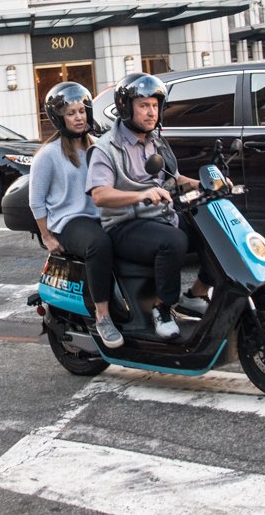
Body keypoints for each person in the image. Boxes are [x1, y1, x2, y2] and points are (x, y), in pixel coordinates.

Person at [86, 73, 211, 340]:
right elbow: (100, 195)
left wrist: (203, 184)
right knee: (173, 241)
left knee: (212, 230)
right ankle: (162, 308)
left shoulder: (155, 140)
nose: (151, 112)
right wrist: (142, 194)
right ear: (126, 107)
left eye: (155, 106)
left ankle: (196, 293)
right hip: (123, 224)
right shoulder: (106, 148)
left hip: (158, 216)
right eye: (144, 106)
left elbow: (172, 178)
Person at [28, 82, 124, 350]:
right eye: (71, 113)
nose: (79, 117)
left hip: (101, 217)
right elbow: (35, 200)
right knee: (99, 244)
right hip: (69, 222)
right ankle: (103, 316)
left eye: (82, 111)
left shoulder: (99, 147)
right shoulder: (48, 155)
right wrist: (46, 235)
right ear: (60, 117)